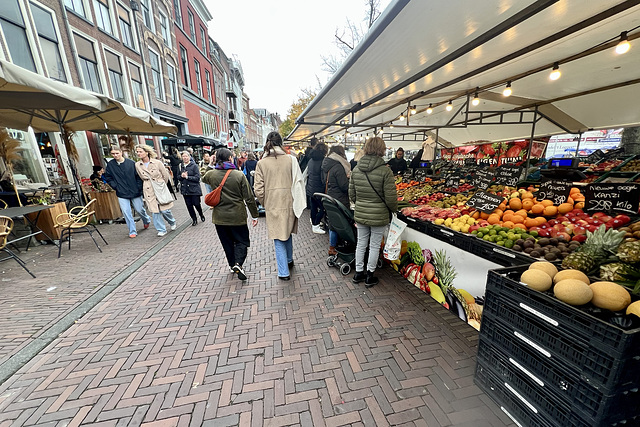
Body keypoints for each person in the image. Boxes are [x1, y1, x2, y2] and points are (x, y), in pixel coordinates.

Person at [254, 131, 305, 281]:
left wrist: (266, 202)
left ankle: (284, 272)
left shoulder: (261, 163)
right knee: (286, 232)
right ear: (281, 143)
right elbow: (299, 182)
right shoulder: (291, 160)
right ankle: (289, 260)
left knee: (278, 236)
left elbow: (258, 189)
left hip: (273, 203)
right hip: (289, 201)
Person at [202, 148, 259, 281]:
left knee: (227, 242)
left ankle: (232, 264)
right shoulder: (238, 175)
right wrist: (254, 215)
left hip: (219, 218)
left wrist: (210, 164)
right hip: (237, 215)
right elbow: (249, 197)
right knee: (242, 240)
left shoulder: (212, 174)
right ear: (229, 159)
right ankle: (238, 263)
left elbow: (203, 177)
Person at [349, 137, 398, 287]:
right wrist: (393, 210)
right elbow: (391, 198)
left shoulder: (356, 169)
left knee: (361, 243)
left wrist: (362, 204)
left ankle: (358, 273)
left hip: (361, 213)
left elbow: (352, 194)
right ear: (381, 150)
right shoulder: (385, 171)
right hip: (379, 215)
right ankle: (370, 275)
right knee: (375, 245)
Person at [103, 146, 151, 238]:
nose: (115, 155)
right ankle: (132, 230)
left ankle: (146, 219)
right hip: (121, 192)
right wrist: (115, 186)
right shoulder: (110, 165)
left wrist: (138, 187)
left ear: (121, 152)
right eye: (113, 154)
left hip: (134, 191)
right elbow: (108, 177)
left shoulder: (131, 163)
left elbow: (138, 176)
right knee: (126, 211)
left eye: (117, 153)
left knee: (139, 209)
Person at [135, 144, 177, 236]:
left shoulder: (157, 163)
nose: (138, 153)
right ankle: (161, 229)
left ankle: (172, 221)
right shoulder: (137, 165)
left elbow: (165, 175)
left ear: (146, 152)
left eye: (140, 151)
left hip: (159, 186)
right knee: (154, 210)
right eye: (137, 152)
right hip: (148, 189)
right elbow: (141, 177)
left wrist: (161, 184)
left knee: (165, 209)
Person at [321, 145, 351, 255]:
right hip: (339, 199)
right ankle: (334, 247)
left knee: (333, 223)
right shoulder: (338, 166)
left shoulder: (326, 164)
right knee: (342, 223)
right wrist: (348, 180)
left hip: (330, 196)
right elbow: (344, 186)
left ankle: (333, 246)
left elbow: (323, 180)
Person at [305, 142, 328, 234]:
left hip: (311, 187)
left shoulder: (311, 160)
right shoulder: (323, 161)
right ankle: (316, 224)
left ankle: (314, 223)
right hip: (319, 188)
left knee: (314, 207)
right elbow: (323, 178)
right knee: (323, 208)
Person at [178, 150, 206, 226]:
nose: (185, 158)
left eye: (186, 156)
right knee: (189, 206)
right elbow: (178, 177)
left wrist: (187, 177)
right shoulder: (180, 166)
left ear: (189, 157)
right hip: (185, 190)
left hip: (194, 189)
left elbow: (197, 178)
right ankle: (194, 219)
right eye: (183, 156)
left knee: (196, 204)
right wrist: (181, 176)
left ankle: (201, 214)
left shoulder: (194, 166)